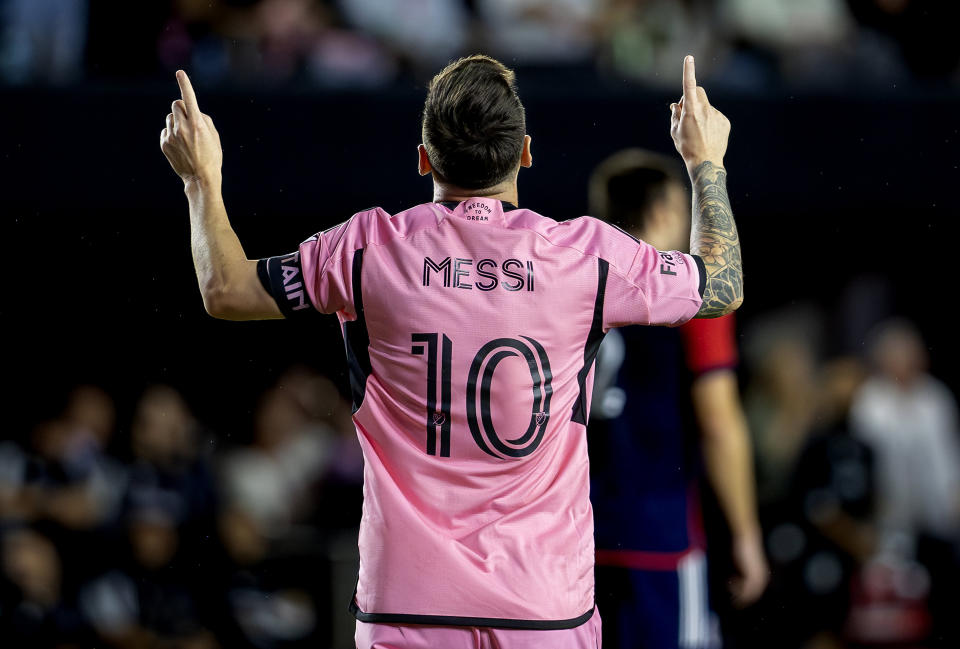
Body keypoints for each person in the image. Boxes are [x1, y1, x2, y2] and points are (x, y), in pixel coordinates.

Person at [159, 53, 743, 648]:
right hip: (543, 610)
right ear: (524, 153)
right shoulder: (586, 258)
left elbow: (225, 288)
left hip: (406, 608)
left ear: (422, 158)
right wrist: (705, 162)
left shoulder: (368, 249)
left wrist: (200, 178)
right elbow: (723, 286)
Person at [588, 150, 766, 649]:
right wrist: (746, 535)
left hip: (574, 536)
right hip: (660, 533)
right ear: (666, 208)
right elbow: (719, 422)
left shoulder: (577, 285)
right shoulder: (691, 293)